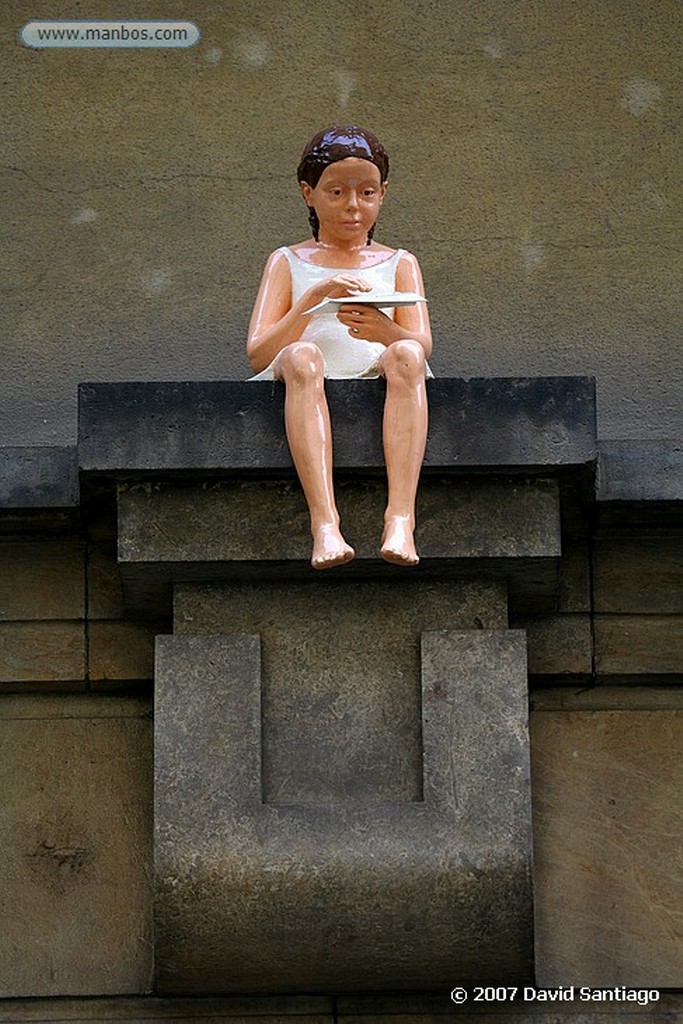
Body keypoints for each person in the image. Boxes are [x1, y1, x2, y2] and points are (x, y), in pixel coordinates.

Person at [246, 125, 432, 570]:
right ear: (309, 193)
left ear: (383, 194)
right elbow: (257, 351)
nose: (353, 206)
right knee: (303, 355)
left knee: (407, 355)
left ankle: (401, 517)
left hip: (380, 370)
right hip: (305, 375)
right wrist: (309, 304)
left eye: (366, 192)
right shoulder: (287, 261)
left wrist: (385, 330)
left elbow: (422, 344)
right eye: (337, 192)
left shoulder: (400, 261)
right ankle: (324, 523)